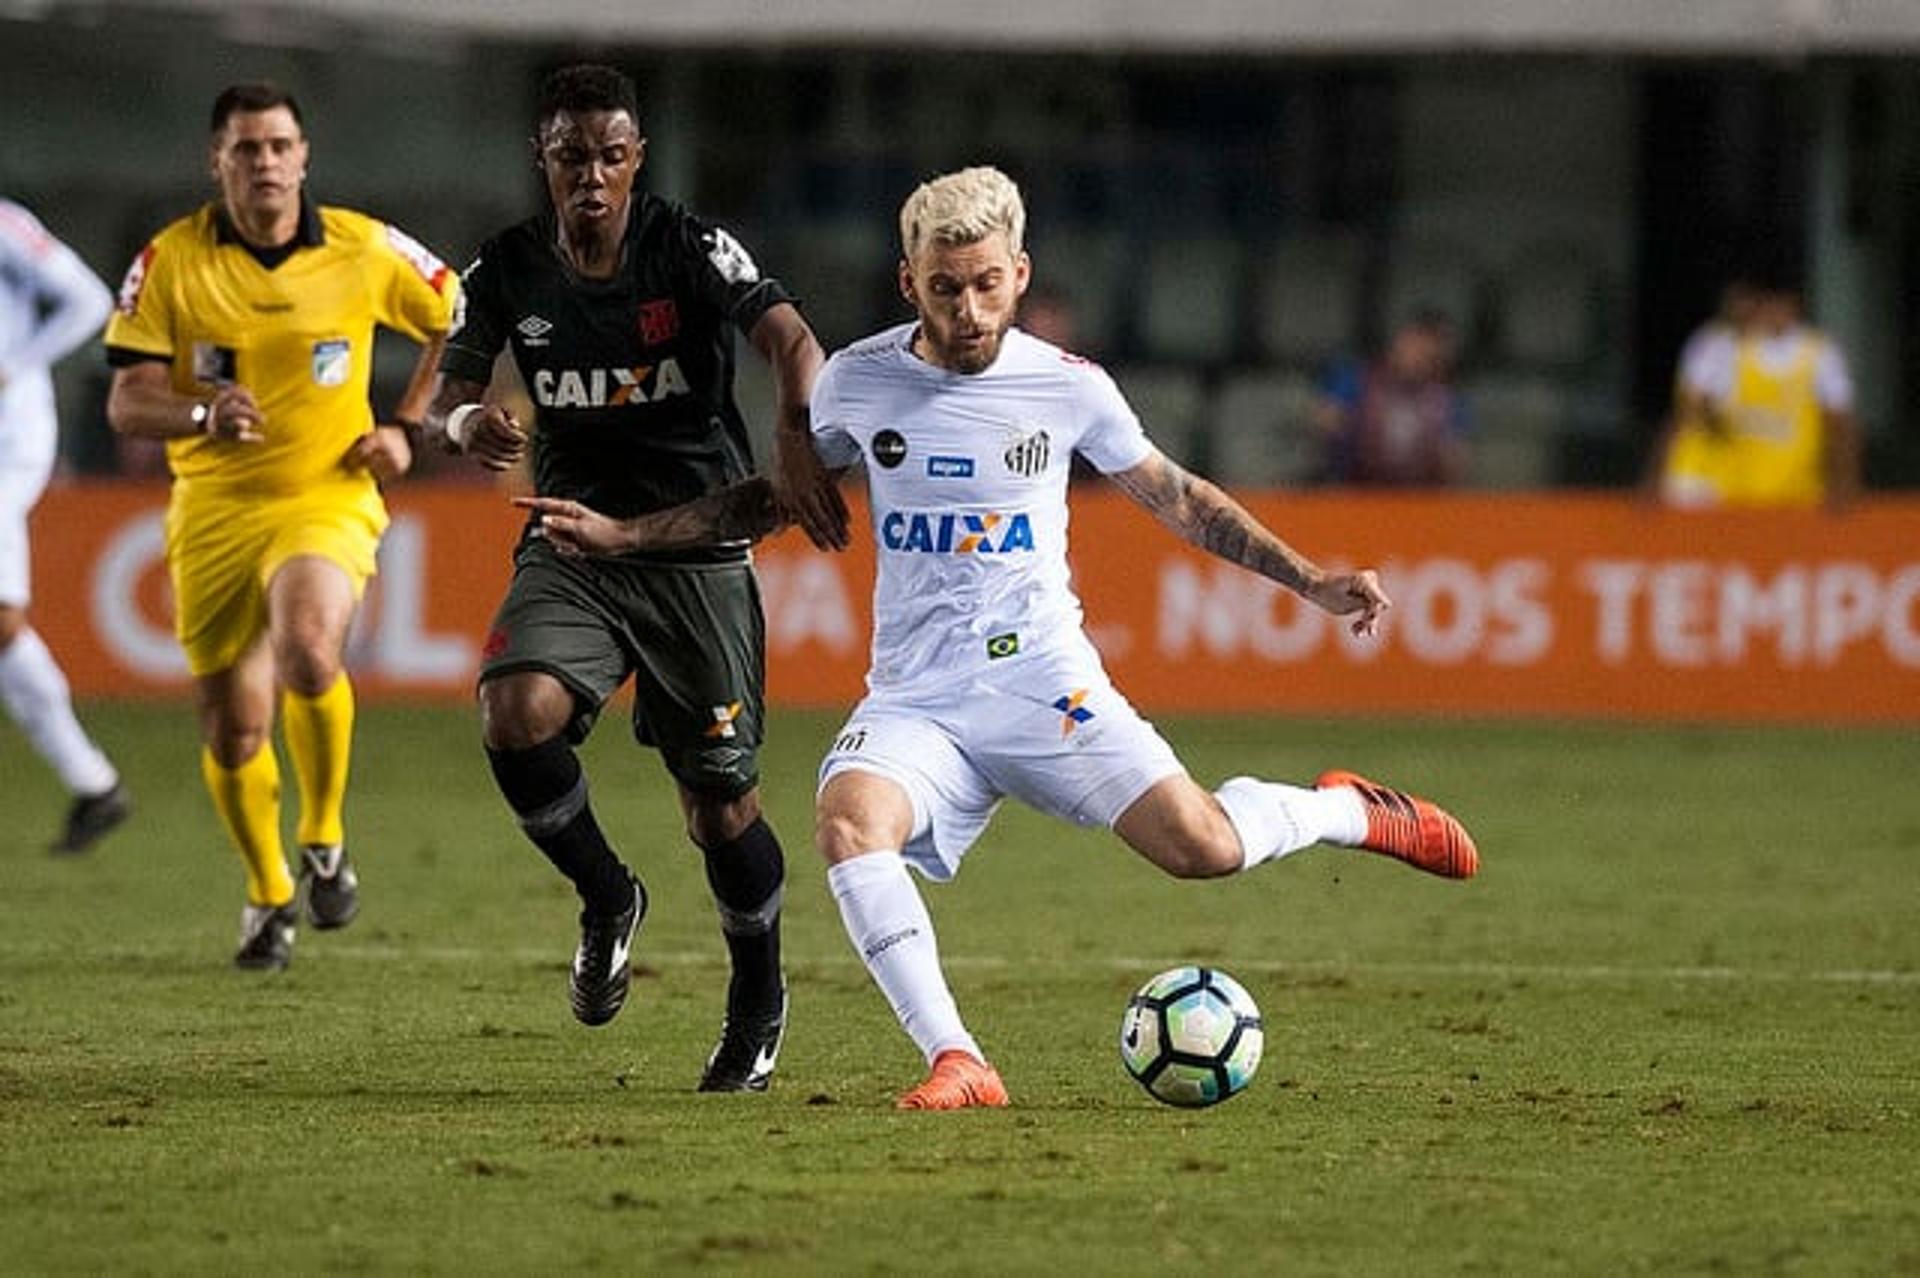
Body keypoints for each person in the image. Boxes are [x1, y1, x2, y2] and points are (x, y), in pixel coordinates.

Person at [519, 166, 1480, 1111]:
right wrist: (624, 535)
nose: (969, 310)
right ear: (911, 284)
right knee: (850, 822)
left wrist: (1310, 578)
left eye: (987, 285)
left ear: (1020, 273)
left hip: (1043, 682)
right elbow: (769, 503)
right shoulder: (857, 383)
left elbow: (1180, 500)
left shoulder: (1069, 389)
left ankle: (1344, 810)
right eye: (946, 289)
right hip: (916, 700)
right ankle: (959, 1060)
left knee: (1203, 847)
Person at [424, 64, 843, 1092]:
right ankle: (608, 896)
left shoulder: (688, 247)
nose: (594, 177)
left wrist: (794, 430)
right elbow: (447, 396)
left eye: (613, 155)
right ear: (546, 160)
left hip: (692, 552)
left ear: (637, 158)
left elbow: (793, 338)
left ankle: (757, 998)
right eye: (574, 157)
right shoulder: (508, 270)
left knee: (719, 810)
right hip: (572, 543)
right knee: (512, 709)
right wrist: (465, 423)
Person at [103, 83, 458, 969]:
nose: (265, 162)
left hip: (325, 492)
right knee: (233, 730)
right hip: (215, 508)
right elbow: (126, 399)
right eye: (246, 148)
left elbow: (459, 316)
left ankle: (325, 835)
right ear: (217, 161)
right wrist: (200, 417)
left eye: (279, 145)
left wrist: (406, 427)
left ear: (304, 156)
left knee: (308, 648)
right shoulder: (170, 261)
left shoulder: (363, 246)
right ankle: (267, 894)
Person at [0, 199, 133, 854]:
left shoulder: (4, 226)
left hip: (6, 441)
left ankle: (94, 782)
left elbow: (87, 300)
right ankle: (94, 784)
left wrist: (14, 363)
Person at [1649, 267, 1860, 510]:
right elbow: (1691, 410)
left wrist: (1845, 483)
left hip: (1798, 493)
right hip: (1732, 492)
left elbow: (1840, 424)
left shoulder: (1819, 354)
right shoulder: (1723, 348)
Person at [1313, 309, 1469, 486]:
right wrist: (1348, 426)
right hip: (1357, 490)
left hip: (1417, 497)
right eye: (1417, 347)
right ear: (1401, 340)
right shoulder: (1357, 378)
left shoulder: (1446, 400)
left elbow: (1454, 460)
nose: (1420, 358)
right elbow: (1326, 420)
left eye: (1431, 356)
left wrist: (1446, 455)